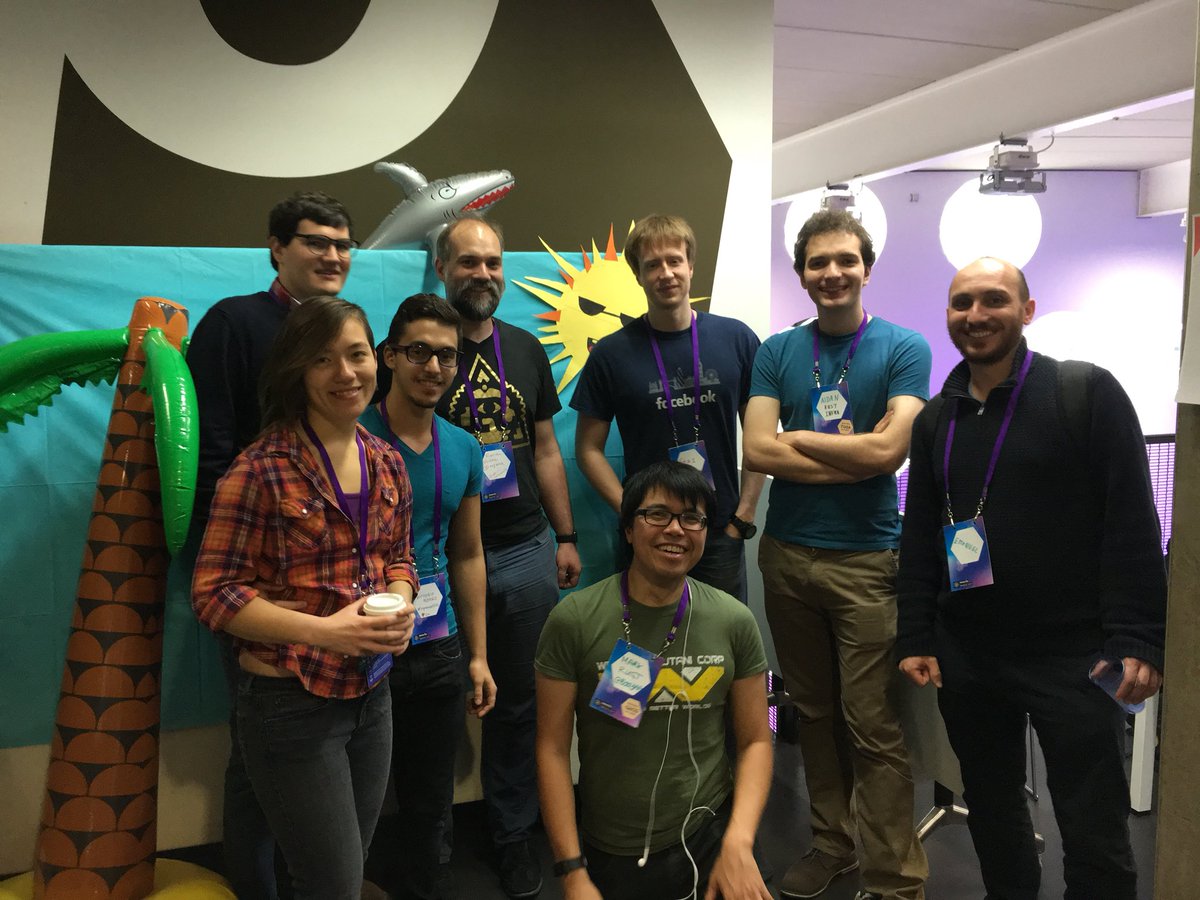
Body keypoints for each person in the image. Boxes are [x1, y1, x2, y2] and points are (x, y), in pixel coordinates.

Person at [895, 257, 1166, 900]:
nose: (976, 315)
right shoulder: (938, 420)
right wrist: (915, 635)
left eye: (994, 300)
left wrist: (1138, 637)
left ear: (1027, 310)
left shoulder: (1084, 392)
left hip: (1073, 654)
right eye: (962, 303)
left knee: (1091, 821)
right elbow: (922, 535)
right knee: (992, 810)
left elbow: (1131, 520)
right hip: (971, 652)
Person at [192, 296, 417, 900]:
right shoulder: (261, 469)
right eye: (324, 359)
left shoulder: (387, 461)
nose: (346, 373)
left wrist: (399, 602)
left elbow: (399, 560)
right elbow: (214, 594)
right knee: (331, 884)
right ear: (298, 370)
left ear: (378, 361)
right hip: (290, 702)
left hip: (373, 696)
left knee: (341, 872)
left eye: (357, 354)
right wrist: (327, 632)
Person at [742, 209, 930, 900]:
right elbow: (757, 451)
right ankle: (833, 845)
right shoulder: (776, 351)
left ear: (866, 268)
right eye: (818, 263)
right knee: (812, 713)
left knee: (872, 724)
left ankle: (895, 880)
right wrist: (858, 458)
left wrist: (801, 442)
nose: (832, 273)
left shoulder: (904, 347)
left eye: (844, 260)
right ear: (802, 275)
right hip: (787, 559)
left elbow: (891, 452)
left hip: (866, 563)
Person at [186, 190, 356, 900]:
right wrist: (236, 577)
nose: (332, 255)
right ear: (276, 249)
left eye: (343, 245)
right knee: (259, 742)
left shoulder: (348, 333)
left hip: (337, 582)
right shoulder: (234, 323)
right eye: (316, 241)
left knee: (323, 745)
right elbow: (210, 453)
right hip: (256, 582)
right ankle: (255, 888)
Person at [535, 461, 773, 900]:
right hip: (613, 845)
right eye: (657, 514)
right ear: (628, 528)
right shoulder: (573, 620)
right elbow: (550, 749)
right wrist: (571, 871)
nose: (676, 530)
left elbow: (758, 739)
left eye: (692, 517)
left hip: (711, 831)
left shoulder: (734, 620)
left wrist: (739, 842)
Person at [433, 214, 582, 898]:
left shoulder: (525, 349)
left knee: (519, 702)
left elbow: (546, 448)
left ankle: (513, 833)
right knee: (435, 697)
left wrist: (567, 534)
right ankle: (427, 843)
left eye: (492, 262)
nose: (483, 274)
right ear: (443, 269)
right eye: (468, 262)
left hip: (524, 550)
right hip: (438, 556)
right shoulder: (416, 351)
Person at [360, 293, 498, 899]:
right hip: (361, 644)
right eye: (418, 352)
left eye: (446, 356)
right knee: (354, 794)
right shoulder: (349, 436)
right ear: (390, 356)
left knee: (430, 798)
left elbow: (468, 553)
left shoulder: (465, 448)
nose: (433, 367)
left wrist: (478, 656)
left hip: (438, 649)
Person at [572, 214, 765, 602]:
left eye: (675, 260)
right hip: (648, 534)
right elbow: (587, 449)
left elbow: (760, 438)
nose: (666, 273)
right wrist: (632, 511)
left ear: (691, 265)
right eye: (652, 264)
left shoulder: (738, 339)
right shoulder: (611, 354)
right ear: (638, 275)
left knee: (722, 648)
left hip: (718, 530)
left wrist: (743, 516)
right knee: (646, 648)